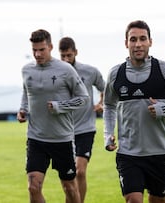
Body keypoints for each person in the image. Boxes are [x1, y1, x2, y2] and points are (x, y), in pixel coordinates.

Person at [103, 20, 165, 203]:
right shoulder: (115, 73)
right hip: (128, 154)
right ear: (126, 43)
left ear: (150, 42)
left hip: (159, 153)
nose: (138, 44)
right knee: (134, 200)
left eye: (143, 39)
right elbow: (109, 105)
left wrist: (163, 109)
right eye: (133, 39)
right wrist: (108, 134)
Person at [17, 29, 89, 203]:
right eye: (34, 50)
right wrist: (22, 110)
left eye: (41, 49)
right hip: (36, 138)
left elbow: (84, 99)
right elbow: (27, 93)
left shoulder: (65, 69)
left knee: (70, 189)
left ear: (50, 47)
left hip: (61, 139)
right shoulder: (27, 70)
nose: (37, 54)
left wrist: (60, 106)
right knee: (33, 187)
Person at [58, 36, 105, 203]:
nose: (65, 59)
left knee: (80, 171)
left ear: (75, 52)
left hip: (85, 128)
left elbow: (105, 89)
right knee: (68, 176)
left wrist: (101, 104)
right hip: (63, 131)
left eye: (69, 55)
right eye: (62, 56)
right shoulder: (55, 73)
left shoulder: (90, 71)